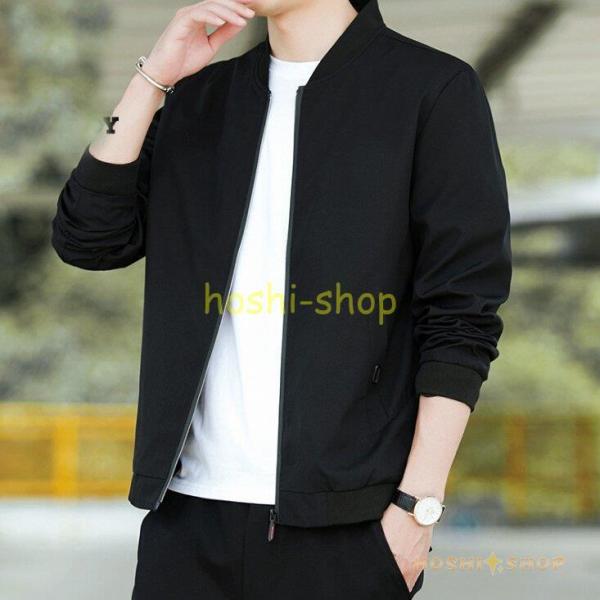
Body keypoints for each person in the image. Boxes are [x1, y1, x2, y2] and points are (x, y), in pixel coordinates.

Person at [51, 0, 512, 598]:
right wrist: (152, 80)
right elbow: (88, 238)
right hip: (187, 518)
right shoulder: (201, 96)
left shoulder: (432, 89)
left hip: (347, 525)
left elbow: (462, 313)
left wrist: (416, 509)